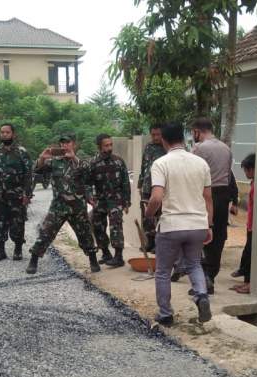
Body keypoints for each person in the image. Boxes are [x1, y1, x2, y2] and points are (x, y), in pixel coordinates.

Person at [145, 122, 214, 326]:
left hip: (172, 225)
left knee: (164, 271)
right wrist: (208, 225)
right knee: (194, 264)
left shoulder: (161, 163)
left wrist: (149, 213)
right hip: (197, 225)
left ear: (164, 141)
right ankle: (201, 296)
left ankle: (166, 314)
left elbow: (156, 197)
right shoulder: (201, 163)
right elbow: (208, 198)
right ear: (183, 139)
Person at [26, 133, 100, 275]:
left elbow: (89, 174)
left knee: (85, 234)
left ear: (74, 144)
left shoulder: (81, 162)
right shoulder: (54, 162)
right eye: (62, 143)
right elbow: (35, 169)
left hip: (77, 207)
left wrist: (74, 158)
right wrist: (42, 157)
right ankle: (34, 259)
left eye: (68, 143)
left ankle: (93, 260)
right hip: (58, 206)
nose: (64, 145)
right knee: (46, 232)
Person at [189, 117, 237, 295]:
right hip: (223, 196)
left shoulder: (199, 149)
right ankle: (211, 277)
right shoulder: (226, 148)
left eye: (193, 132)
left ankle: (202, 280)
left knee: (201, 236)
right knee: (218, 237)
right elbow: (229, 176)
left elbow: (192, 174)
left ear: (197, 131)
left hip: (204, 195)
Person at [0, 123, 33, 261]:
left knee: (18, 223)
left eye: (7, 132)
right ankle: (0, 251)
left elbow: (28, 175)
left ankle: (18, 249)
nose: (4, 134)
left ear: (13, 134)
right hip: (0, 195)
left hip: (17, 195)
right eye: (2, 132)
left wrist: (27, 194)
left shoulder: (21, 152)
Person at [89, 133, 131, 268]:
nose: (109, 148)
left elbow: (125, 183)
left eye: (110, 144)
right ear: (99, 147)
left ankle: (119, 257)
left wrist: (126, 202)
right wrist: (90, 196)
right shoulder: (93, 163)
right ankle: (106, 253)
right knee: (97, 225)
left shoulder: (118, 161)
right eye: (106, 145)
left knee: (116, 226)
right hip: (100, 200)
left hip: (116, 200)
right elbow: (87, 183)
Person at [137, 124, 166, 252]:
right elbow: (144, 165)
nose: (155, 137)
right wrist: (140, 183)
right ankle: (149, 242)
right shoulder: (148, 147)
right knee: (146, 215)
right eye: (153, 135)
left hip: (160, 188)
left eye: (158, 134)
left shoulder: (166, 147)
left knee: (160, 215)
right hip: (147, 187)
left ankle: (158, 244)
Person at [231, 153, 256, 294]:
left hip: (254, 225)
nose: (246, 173)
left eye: (247, 170)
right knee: (248, 253)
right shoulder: (253, 183)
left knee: (251, 254)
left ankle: (250, 283)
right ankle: (247, 281)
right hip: (250, 224)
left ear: (253, 169)